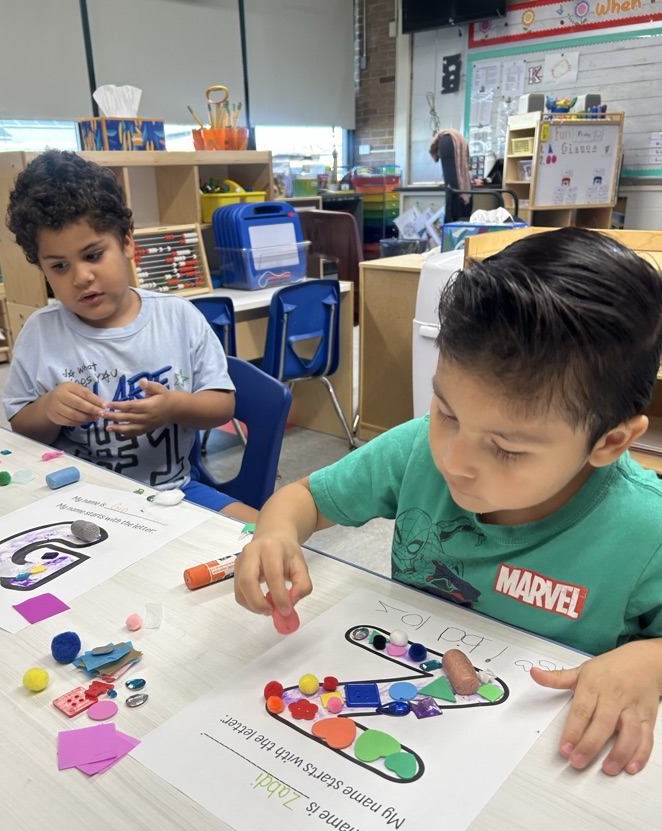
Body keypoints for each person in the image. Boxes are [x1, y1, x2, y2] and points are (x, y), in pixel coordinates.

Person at [235, 227, 662, 777]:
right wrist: (276, 533)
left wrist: (649, 660)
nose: (454, 460)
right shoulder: (416, 449)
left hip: (538, 765)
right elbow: (304, 499)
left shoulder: (644, 528)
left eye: (506, 449)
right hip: (416, 725)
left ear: (609, 443)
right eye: (447, 412)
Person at [3, 149, 256, 521]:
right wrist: (48, 409)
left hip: (175, 492)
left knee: (268, 533)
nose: (80, 277)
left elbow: (223, 406)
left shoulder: (178, 317)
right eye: (59, 266)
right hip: (79, 505)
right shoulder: (41, 334)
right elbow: (22, 427)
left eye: (92, 256)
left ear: (126, 243)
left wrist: (174, 407)